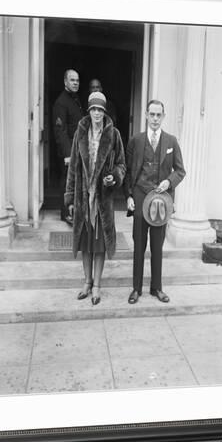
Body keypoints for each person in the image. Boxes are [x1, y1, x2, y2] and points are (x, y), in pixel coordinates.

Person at [64, 91, 126, 305]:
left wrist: (114, 177)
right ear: (89, 111)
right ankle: (87, 282)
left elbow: (121, 165)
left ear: (104, 112)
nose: (97, 113)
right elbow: (73, 168)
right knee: (85, 244)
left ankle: (97, 285)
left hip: (102, 200)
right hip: (83, 198)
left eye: (100, 109)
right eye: (94, 109)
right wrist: (70, 198)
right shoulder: (80, 134)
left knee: (99, 245)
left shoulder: (114, 134)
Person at [124, 99, 186, 304]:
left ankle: (157, 288)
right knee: (139, 245)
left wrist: (169, 182)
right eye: (152, 114)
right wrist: (129, 196)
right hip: (141, 198)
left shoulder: (171, 141)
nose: (155, 119)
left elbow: (180, 170)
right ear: (146, 115)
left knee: (157, 246)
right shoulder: (136, 140)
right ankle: (136, 289)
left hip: (161, 201)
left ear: (164, 116)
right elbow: (128, 172)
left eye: (159, 115)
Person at [52, 69, 84, 224]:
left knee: (76, 181)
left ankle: (74, 210)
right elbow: (60, 130)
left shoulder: (75, 99)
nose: (75, 83)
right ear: (65, 82)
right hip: (68, 151)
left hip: (78, 148)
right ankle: (66, 213)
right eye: (72, 80)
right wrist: (67, 154)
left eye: (77, 80)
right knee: (67, 182)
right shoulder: (61, 102)